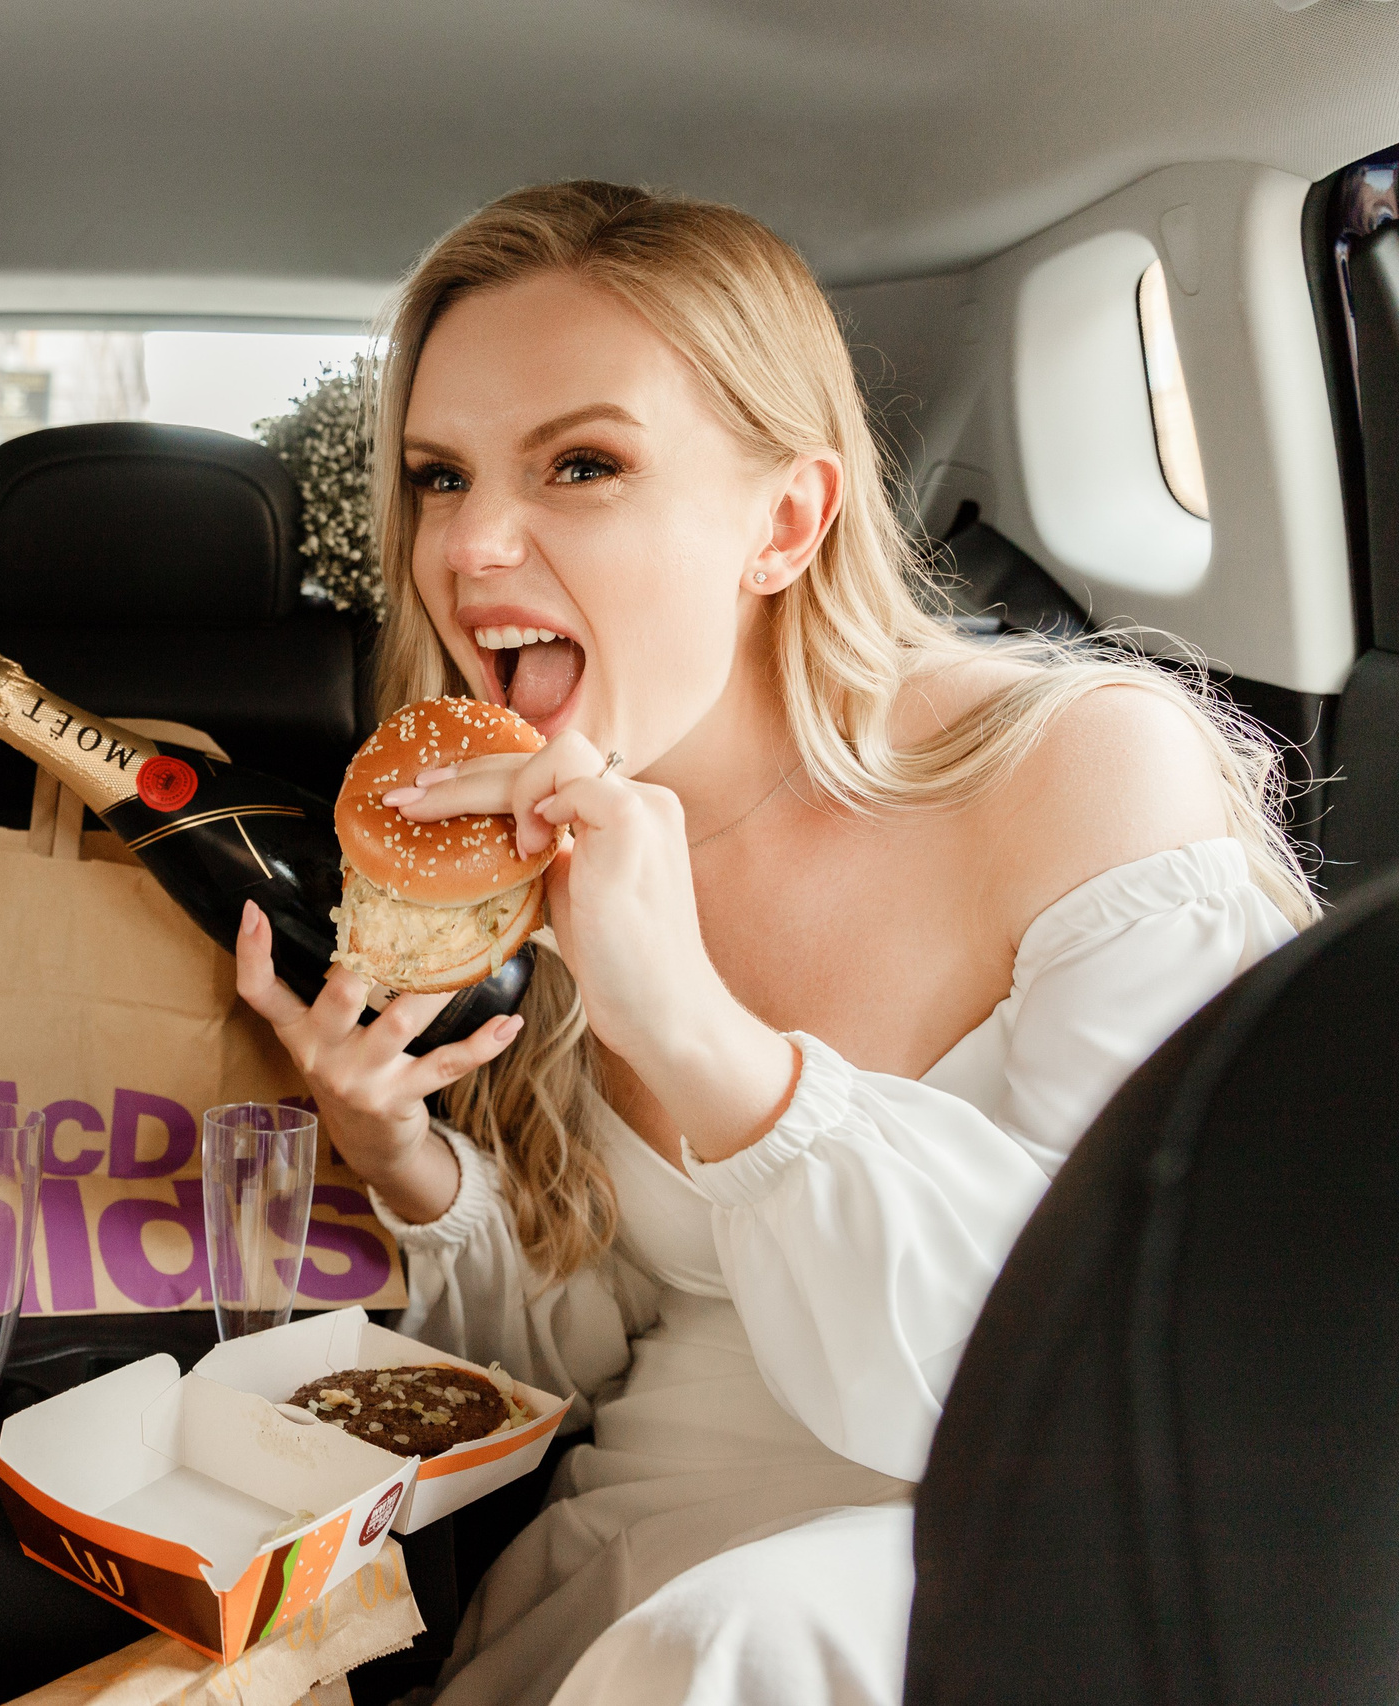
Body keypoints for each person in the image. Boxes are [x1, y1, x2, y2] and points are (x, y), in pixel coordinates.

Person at [232, 181, 1311, 1706]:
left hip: (1002, 1583)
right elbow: (586, 1349)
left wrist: (701, 1039)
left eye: (582, 463)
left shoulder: (1082, 773)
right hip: (625, 1570)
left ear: (786, 522)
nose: (469, 544)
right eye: (438, 476)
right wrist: (404, 1155)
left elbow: (1120, 1379)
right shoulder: (543, 845)